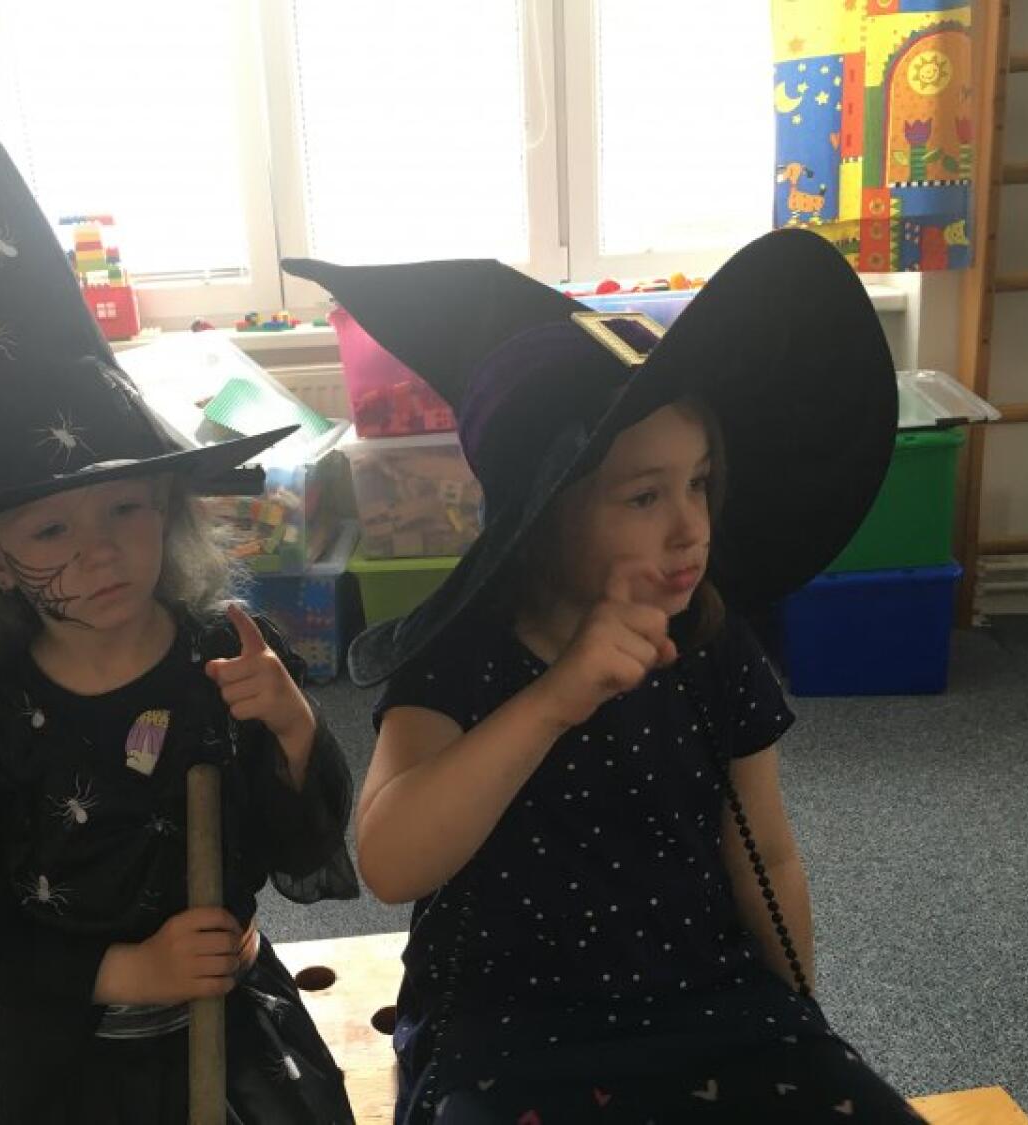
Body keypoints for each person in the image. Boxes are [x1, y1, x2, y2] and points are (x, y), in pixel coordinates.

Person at [284, 233, 927, 1122]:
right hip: (508, 1031)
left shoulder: (710, 643)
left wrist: (804, 1027)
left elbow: (768, 852)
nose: (691, 527)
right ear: (544, 516)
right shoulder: (463, 656)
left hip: (709, 1003)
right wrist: (554, 700)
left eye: (699, 482)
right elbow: (391, 861)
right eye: (645, 496)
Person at [0, 113, 357, 1124]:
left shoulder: (227, 658)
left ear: (168, 511)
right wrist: (127, 969)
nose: (98, 552)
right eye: (51, 529)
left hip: (233, 1029)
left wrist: (290, 723)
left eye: (125, 510)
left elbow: (302, 843)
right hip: (76, 1056)